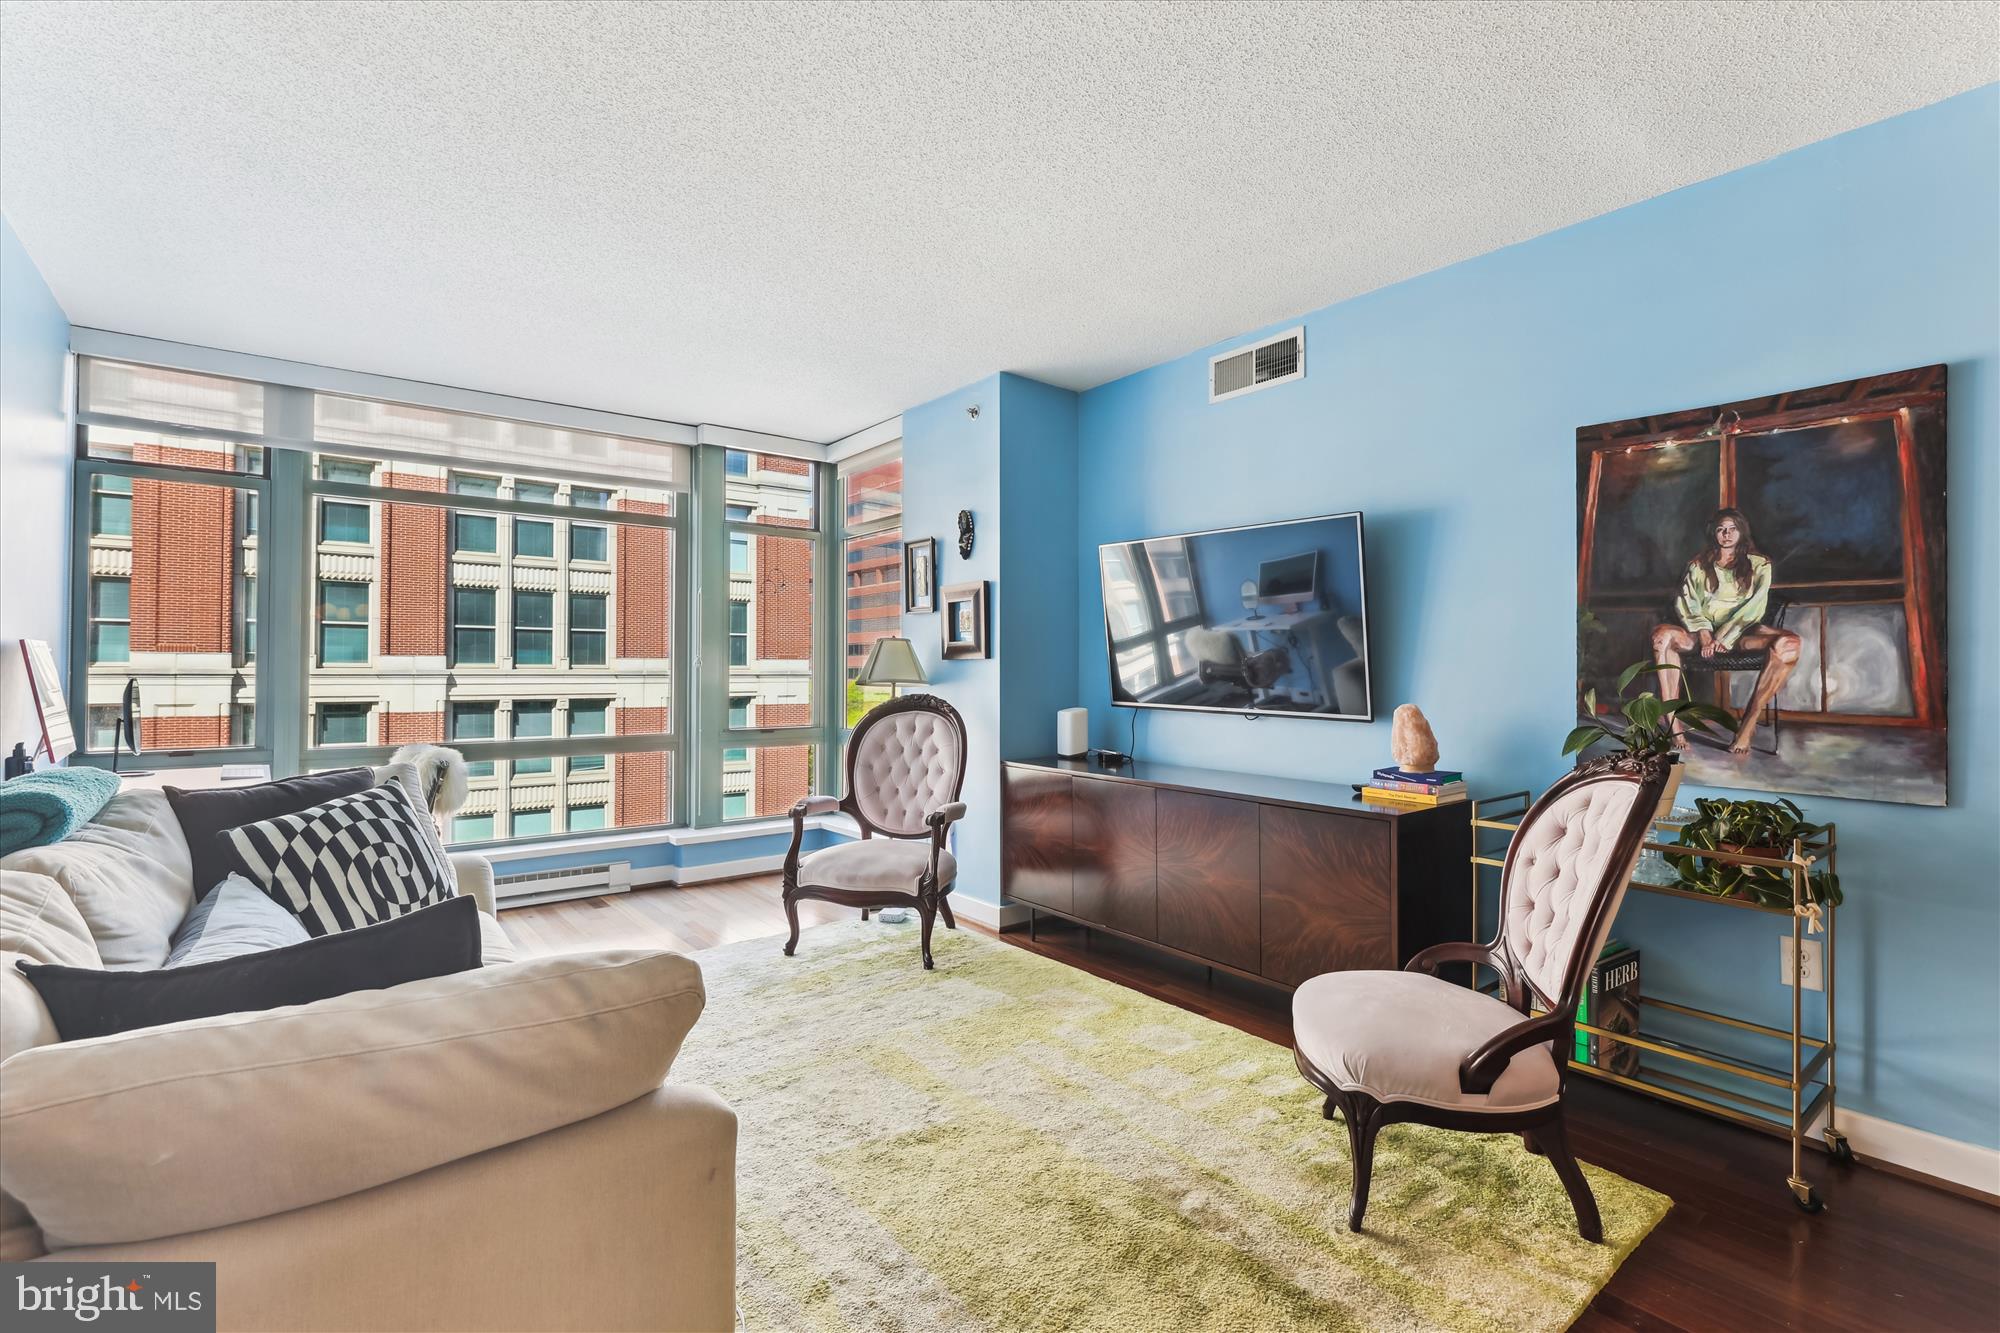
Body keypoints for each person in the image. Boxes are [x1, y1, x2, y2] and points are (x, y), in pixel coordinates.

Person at [1650, 507, 1801, 754]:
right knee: (1661, 636)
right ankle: (1672, 721)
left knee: (1791, 644)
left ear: (1742, 532)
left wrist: (1724, 637)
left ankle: (1748, 723)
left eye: (1732, 529)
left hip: (1743, 632)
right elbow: (1688, 603)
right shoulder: (1697, 566)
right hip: (1701, 634)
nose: (1726, 534)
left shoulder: (1759, 564)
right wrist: (1706, 635)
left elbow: (1754, 607)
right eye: (1721, 529)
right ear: (1714, 534)